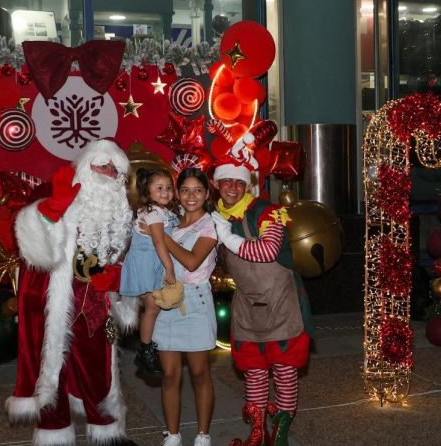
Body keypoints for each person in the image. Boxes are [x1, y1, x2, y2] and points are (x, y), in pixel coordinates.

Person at [6, 139, 137, 445]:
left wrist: (118, 277)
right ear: (86, 165)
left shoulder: (119, 209)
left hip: (95, 301)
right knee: (52, 369)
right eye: (101, 165)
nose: (107, 172)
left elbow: (126, 253)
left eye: (114, 169)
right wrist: (52, 210)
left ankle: (107, 432)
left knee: (99, 367)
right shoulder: (56, 189)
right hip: (53, 298)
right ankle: (54, 433)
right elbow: (32, 246)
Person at [209, 157, 313, 446]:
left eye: (239, 182)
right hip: (247, 305)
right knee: (253, 370)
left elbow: (267, 251)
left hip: (281, 301)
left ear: (247, 185)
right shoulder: (216, 217)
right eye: (226, 181)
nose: (232, 187)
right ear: (217, 185)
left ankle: (280, 432)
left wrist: (227, 238)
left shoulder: (268, 212)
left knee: (283, 368)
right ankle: (257, 430)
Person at [141, 168, 217, 446]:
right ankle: (172, 434)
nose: (191, 196)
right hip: (165, 305)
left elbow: (192, 261)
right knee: (170, 375)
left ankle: (203, 434)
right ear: (177, 193)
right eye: (185, 190)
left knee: (199, 373)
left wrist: (159, 236)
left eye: (198, 190)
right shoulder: (169, 220)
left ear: (207, 194)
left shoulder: (210, 225)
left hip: (196, 303)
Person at [121, 168, 180, 376]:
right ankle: (145, 350)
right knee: (152, 307)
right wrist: (170, 267)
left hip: (155, 262)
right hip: (147, 263)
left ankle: (150, 346)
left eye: (169, 188)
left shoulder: (166, 213)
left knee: (155, 307)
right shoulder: (152, 212)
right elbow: (158, 241)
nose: (165, 192)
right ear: (148, 192)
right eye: (159, 188)